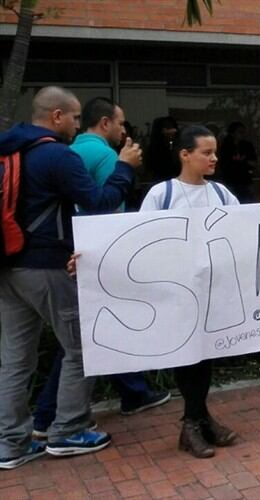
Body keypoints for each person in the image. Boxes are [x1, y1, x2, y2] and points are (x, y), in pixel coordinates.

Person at [0, 86, 141, 469]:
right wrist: (124, 166)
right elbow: (98, 203)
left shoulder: (8, 149)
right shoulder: (55, 156)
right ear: (57, 116)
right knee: (83, 348)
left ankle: (10, 443)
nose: (78, 126)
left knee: (15, 359)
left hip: (8, 266)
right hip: (48, 266)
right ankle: (68, 431)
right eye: (75, 117)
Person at [31, 98, 170, 438]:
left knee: (99, 331)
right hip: (93, 258)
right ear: (106, 124)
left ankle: (132, 392)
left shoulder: (71, 150)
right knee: (86, 341)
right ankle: (51, 419)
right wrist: (126, 167)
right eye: (121, 124)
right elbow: (108, 209)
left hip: (66, 256)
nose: (125, 131)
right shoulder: (108, 157)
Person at [139, 125, 239, 458]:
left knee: (204, 354)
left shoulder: (222, 194)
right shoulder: (161, 194)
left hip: (213, 291)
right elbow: (139, 241)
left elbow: (245, 232)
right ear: (185, 154)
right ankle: (194, 424)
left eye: (215, 152)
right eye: (206, 152)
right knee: (188, 355)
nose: (214, 158)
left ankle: (199, 421)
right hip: (176, 293)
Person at [218, 121, 258, 203]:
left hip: (245, 180)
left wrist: (243, 161)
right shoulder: (225, 146)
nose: (242, 134)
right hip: (229, 181)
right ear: (232, 133)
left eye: (244, 132)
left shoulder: (247, 146)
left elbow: (254, 163)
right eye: (240, 132)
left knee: (247, 202)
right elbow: (221, 164)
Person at [146, 116, 179, 182]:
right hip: (159, 181)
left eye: (172, 127)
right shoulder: (153, 150)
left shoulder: (178, 147)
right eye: (167, 128)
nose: (172, 131)